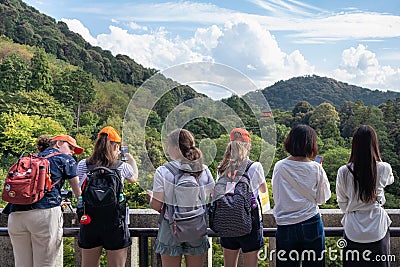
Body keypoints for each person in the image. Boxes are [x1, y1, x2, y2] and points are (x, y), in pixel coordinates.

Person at [7, 134, 83, 267]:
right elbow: (78, 192)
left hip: (15, 214)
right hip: (45, 214)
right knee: (45, 263)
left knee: (22, 264)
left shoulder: (28, 158)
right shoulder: (64, 159)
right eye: (70, 147)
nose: (71, 152)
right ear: (58, 144)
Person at [148, 128, 214, 267]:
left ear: (177, 148)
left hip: (171, 226)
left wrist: (150, 198)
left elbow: (157, 205)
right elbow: (211, 196)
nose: (167, 149)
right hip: (196, 226)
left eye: (169, 145)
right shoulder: (203, 169)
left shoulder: (163, 171)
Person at [76, 126, 138, 267]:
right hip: (114, 222)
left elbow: (79, 190)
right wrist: (131, 159)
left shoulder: (83, 164)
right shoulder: (121, 166)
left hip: (89, 221)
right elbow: (134, 179)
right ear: (116, 147)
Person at [272, 124, 331, 267]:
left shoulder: (279, 166)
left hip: (285, 224)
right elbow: (323, 199)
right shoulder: (316, 168)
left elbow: (277, 196)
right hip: (311, 222)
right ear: (311, 144)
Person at [336, 125, 394, 267]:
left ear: (354, 145)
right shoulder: (384, 168)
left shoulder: (343, 171)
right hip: (377, 228)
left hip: (353, 230)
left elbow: (342, 203)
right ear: (374, 144)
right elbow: (390, 180)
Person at [216, 128, 267, 267]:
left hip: (227, 222)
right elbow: (263, 191)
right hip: (250, 222)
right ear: (248, 146)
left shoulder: (222, 168)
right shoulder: (254, 166)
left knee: (229, 265)